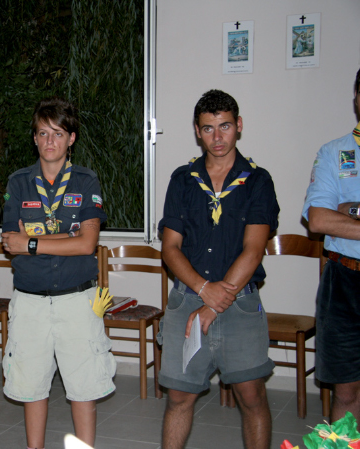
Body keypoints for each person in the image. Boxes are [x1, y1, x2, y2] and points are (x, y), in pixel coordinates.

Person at [157, 89, 279, 449]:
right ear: (198, 131)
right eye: (208, 128)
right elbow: (170, 248)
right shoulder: (183, 179)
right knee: (178, 397)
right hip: (187, 301)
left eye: (224, 126)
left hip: (240, 304)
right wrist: (202, 290)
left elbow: (253, 250)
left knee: (251, 396)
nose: (217, 137)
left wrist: (214, 303)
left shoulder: (258, 180)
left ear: (238, 125)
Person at [1, 96, 115, 449]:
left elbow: (87, 244)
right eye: (43, 133)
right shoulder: (19, 182)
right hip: (30, 301)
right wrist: (66, 237)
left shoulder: (86, 180)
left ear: (71, 138)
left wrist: (32, 242)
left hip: (77, 299)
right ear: (34, 138)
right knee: (31, 387)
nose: (50, 141)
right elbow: (11, 242)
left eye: (58, 133)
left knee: (84, 388)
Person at [302, 68, 360, 423]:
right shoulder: (334, 152)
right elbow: (319, 220)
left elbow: (336, 214)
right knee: (346, 390)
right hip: (343, 282)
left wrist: (349, 210)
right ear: (356, 97)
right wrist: (338, 213)